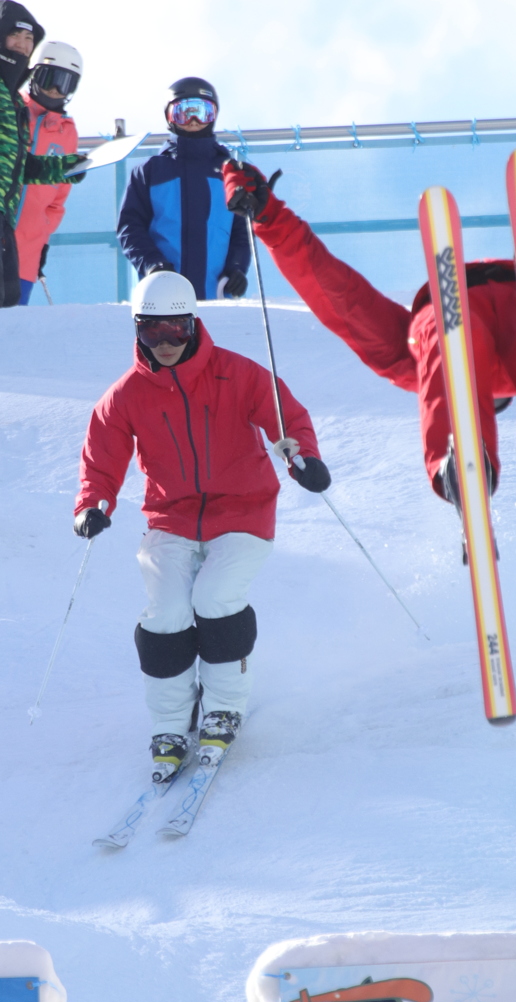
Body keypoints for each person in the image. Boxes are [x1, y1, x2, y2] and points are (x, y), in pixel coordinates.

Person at [221, 157, 516, 509]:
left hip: (451, 312)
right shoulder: (418, 363)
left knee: (454, 360)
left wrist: (269, 216)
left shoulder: (415, 362)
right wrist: (268, 216)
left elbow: (341, 296)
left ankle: (464, 445)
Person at [73, 269, 330, 780]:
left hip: (244, 510)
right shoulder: (126, 395)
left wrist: (304, 458)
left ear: (193, 325)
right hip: (172, 517)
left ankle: (224, 706)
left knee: (213, 598)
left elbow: (286, 416)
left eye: (177, 331)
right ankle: (171, 721)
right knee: (166, 611)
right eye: (152, 332)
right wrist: (93, 504)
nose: (166, 343)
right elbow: (102, 458)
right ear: (137, 330)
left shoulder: (237, 374)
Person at [0, 0, 84, 309]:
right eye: (16, 36)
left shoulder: (12, 98)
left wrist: (61, 168)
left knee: (6, 302)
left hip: (0, 210)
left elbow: (18, 165)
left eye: (28, 39)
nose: (23, 45)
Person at [117, 78, 251, 301]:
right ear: (169, 117)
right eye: (183, 112)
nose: (193, 120)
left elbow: (242, 232)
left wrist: (237, 268)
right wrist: (153, 264)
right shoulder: (151, 172)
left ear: (214, 116)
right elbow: (130, 229)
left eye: (202, 111)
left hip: (215, 294)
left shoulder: (230, 174)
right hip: (162, 294)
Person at [15, 40, 83, 305]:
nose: (55, 90)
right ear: (34, 75)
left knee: (7, 329)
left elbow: (57, 199)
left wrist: (41, 238)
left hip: (25, 254)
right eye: (49, 79)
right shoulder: (11, 108)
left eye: (65, 83)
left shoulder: (67, 132)